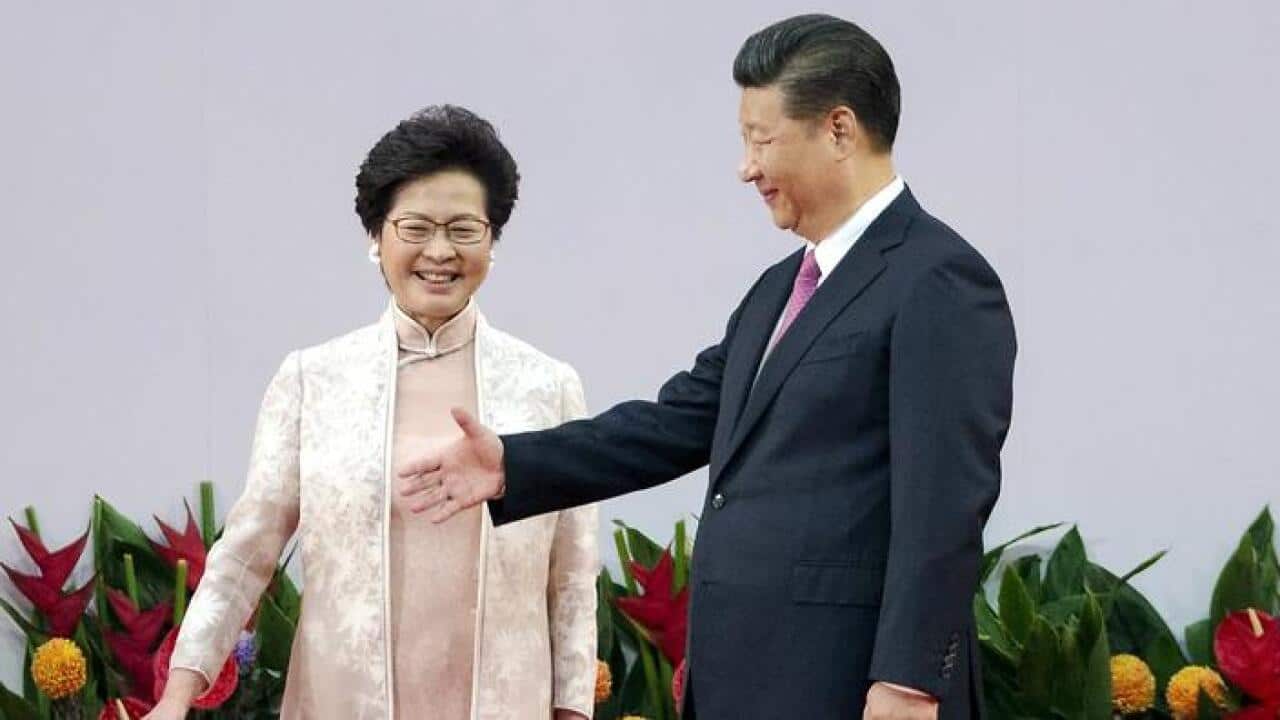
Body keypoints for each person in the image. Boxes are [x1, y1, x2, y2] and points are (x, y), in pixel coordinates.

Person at [399, 16, 1016, 720]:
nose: (746, 167)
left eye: (762, 139)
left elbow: (944, 503)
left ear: (839, 130)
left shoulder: (937, 279)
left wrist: (908, 682)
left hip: (851, 685)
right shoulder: (776, 291)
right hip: (743, 680)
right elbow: (675, 423)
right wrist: (512, 463)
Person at [146, 105, 598, 720]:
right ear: (376, 236)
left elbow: (570, 581)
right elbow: (245, 554)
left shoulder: (547, 386)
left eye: (464, 229)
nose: (439, 251)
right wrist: (177, 695)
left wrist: (572, 711)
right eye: (415, 227)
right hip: (341, 702)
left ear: (493, 240)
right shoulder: (313, 380)